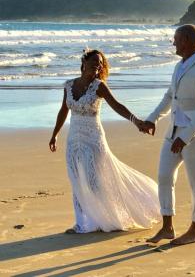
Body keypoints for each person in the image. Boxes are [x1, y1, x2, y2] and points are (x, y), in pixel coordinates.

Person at [49, 49, 160, 233]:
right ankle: (82, 223)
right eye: (94, 61)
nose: (98, 65)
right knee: (76, 178)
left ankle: (102, 220)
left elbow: (117, 105)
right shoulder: (68, 85)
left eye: (100, 63)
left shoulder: (99, 86)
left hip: (94, 138)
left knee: (94, 181)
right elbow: (63, 111)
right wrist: (55, 134)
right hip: (74, 138)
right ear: (84, 63)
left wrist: (136, 121)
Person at [139, 24, 195, 245]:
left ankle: (194, 230)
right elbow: (169, 96)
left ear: (186, 39)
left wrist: (185, 138)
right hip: (173, 130)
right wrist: (152, 119)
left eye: (175, 39)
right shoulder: (179, 65)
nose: (173, 43)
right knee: (164, 176)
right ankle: (168, 228)